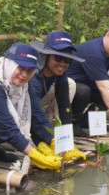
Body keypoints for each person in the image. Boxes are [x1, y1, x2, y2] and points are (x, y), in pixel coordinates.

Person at [0, 43, 62, 170]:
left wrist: (52, 140)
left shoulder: (17, 84)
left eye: (29, 71)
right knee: (1, 124)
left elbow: (35, 115)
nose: (24, 74)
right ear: (10, 64)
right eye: (20, 68)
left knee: (3, 121)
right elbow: (7, 128)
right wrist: (35, 155)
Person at [29, 31, 87, 161]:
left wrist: (67, 140)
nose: (63, 63)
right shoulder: (32, 75)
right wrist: (51, 139)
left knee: (70, 84)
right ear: (46, 56)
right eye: (58, 58)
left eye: (67, 60)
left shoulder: (60, 72)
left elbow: (65, 105)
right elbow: (34, 113)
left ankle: (53, 125)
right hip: (17, 105)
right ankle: (47, 135)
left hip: (36, 101)